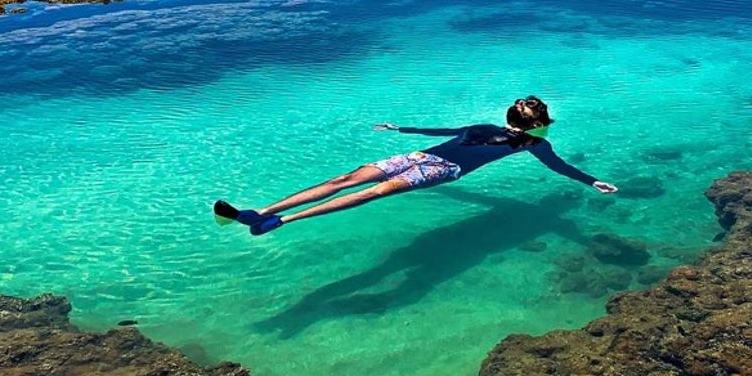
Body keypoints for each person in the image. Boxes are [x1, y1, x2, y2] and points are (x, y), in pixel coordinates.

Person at [214, 96, 617, 237]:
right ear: (538, 123)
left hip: (434, 168)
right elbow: (560, 167)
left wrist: (591, 180)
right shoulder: (526, 141)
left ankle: (278, 220)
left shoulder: (517, 139)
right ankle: (259, 214)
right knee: (351, 182)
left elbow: (440, 129)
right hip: (426, 163)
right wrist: (400, 128)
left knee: (361, 187)